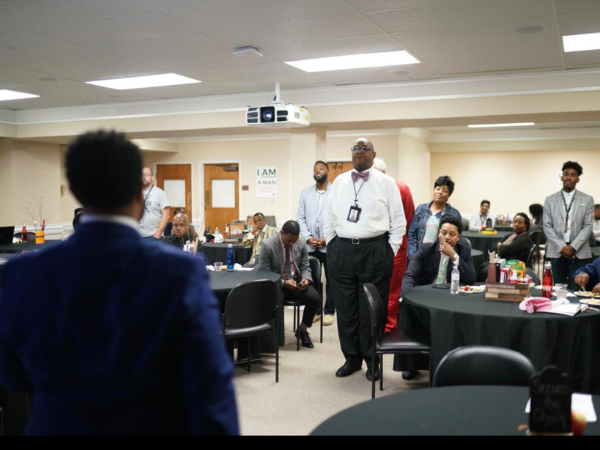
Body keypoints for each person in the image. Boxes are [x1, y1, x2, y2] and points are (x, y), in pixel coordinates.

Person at [0, 130, 238, 435]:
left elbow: (13, 377)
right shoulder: (180, 272)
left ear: (75, 192)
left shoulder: (22, 273)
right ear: (140, 192)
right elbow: (209, 387)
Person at [324, 137, 406, 382]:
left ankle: (373, 361)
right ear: (352, 154)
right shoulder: (339, 181)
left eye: (365, 148)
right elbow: (329, 216)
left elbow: (399, 222)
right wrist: (331, 244)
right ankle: (351, 359)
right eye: (356, 148)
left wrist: (389, 250)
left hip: (375, 252)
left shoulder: (386, 182)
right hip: (342, 251)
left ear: (373, 154)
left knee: (370, 310)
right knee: (346, 310)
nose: (360, 152)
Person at [399, 215, 476, 380]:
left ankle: (453, 365)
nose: (447, 237)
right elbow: (410, 275)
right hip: (427, 296)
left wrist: (454, 256)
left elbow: (471, 279)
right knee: (409, 308)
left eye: (452, 234)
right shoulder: (426, 250)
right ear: (438, 234)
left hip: (451, 299)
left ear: (459, 237)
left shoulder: (464, 252)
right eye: (444, 232)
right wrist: (405, 296)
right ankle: (412, 365)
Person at [257, 220, 320, 349]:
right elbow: (264, 274)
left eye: (294, 241)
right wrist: (284, 283)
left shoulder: (301, 241)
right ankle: (275, 337)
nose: (292, 244)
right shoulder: (268, 245)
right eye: (289, 240)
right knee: (275, 299)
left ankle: (302, 330)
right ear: (282, 233)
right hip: (276, 283)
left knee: (314, 297)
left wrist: (306, 280)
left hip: (295, 281)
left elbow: (305, 267)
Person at [372, 158, 415, 332]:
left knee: (392, 289)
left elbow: (409, 218)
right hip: (373, 248)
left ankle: (389, 327)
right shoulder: (370, 189)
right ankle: (375, 324)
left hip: (396, 247)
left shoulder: (401, 188)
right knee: (374, 287)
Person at [543, 161, 595, 291]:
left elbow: (588, 226)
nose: (568, 177)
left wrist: (573, 247)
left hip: (579, 251)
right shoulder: (550, 199)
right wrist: (562, 246)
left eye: (573, 175)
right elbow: (547, 226)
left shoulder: (587, 199)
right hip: (556, 250)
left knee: (577, 287)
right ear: (561, 177)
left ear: (577, 179)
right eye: (566, 174)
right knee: (558, 288)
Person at [297, 161, 334, 326]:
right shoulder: (305, 193)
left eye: (321, 169)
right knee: (314, 279)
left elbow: (339, 217)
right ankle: (316, 310)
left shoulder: (336, 192)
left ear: (327, 171)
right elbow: (300, 218)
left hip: (330, 243)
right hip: (310, 244)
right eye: (315, 169)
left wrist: (326, 237)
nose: (317, 171)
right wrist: (308, 237)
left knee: (331, 279)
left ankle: (329, 311)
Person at [407, 176, 461, 260]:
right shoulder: (421, 209)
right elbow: (412, 234)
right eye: (437, 188)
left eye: (444, 190)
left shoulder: (454, 214)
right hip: (419, 256)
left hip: (441, 257)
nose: (440, 192)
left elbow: (457, 240)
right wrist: (413, 257)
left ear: (448, 195)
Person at [140, 167, 171, 240]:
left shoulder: (160, 193)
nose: (144, 177)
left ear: (152, 177)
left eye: (147, 174)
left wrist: (158, 234)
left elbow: (166, 215)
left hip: (153, 235)